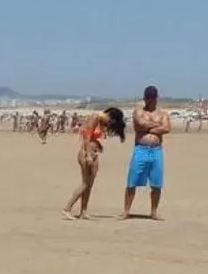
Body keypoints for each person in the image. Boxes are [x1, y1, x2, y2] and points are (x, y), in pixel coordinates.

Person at [62, 106, 126, 219]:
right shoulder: (95, 117)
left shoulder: (100, 122)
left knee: (89, 185)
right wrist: (88, 155)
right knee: (85, 184)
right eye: (110, 121)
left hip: (94, 153)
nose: (109, 123)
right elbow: (87, 136)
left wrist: (98, 144)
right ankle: (67, 208)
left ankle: (83, 211)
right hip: (87, 153)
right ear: (110, 116)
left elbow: (92, 137)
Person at [122, 84, 170, 220]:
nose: (149, 100)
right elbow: (140, 124)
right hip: (141, 149)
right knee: (132, 181)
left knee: (156, 183)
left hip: (156, 150)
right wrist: (157, 126)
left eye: (152, 97)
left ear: (156, 98)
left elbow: (167, 128)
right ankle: (126, 211)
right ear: (144, 98)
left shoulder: (162, 114)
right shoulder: (138, 112)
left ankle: (153, 212)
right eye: (147, 97)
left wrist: (148, 128)